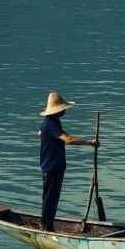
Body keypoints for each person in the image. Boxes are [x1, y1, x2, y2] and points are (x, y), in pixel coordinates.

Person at [38, 91, 99, 232]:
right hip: (52, 168)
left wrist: (48, 140)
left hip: (50, 166)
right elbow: (68, 140)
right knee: (50, 199)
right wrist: (89, 142)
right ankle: (46, 228)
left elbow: (40, 133)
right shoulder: (52, 124)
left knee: (49, 198)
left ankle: (47, 225)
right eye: (63, 109)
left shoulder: (47, 123)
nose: (64, 111)